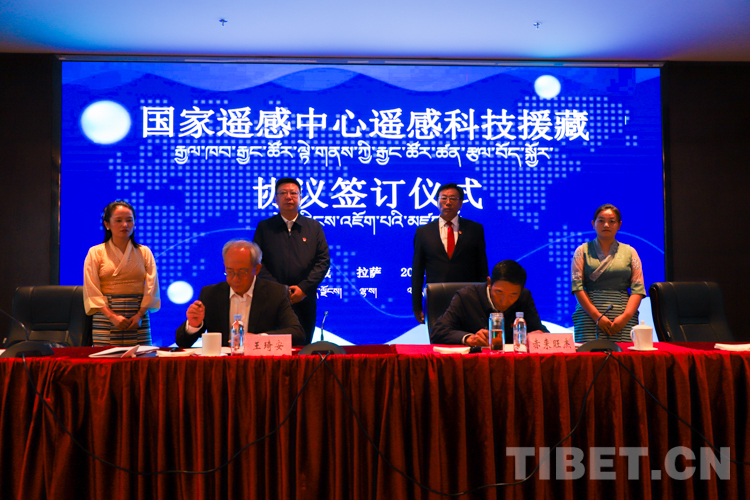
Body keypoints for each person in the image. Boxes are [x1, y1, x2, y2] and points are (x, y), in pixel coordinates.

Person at [175, 239, 305, 347]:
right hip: (221, 365)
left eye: (242, 272)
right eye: (230, 272)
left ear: (257, 269)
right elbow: (182, 343)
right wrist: (194, 325)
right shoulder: (210, 294)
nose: (235, 279)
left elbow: (297, 334)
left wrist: (259, 339)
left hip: (260, 364)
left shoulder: (275, 293)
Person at [253, 177, 330, 345]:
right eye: (283, 193)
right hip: (272, 300)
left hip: (304, 299)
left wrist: (304, 289)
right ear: (275, 199)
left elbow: (323, 261)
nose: (289, 197)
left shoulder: (314, 227)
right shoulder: (265, 227)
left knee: (303, 349)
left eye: (293, 193)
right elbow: (258, 263)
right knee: (273, 348)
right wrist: (279, 290)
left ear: (300, 198)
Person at [83, 200, 160, 346]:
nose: (125, 225)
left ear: (134, 223)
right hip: (106, 317)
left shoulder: (144, 252)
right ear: (107, 224)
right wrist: (112, 316)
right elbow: (91, 289)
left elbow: (152, 287)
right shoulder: (95, 252)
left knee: (141, 358)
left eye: (129, 220)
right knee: (106, 358)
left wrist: (139, 315)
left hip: (137, 318)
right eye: (118, 220)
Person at [411, 182, 489, 324]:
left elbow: (482, 267)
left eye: (453, 198)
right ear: (437, 201)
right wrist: (417, 305)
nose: (448, 202)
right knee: (438, 335)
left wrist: (484, 301)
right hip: (436, 297)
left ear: (460, 203)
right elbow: (417, 271)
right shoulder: (424, 232)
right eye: (444, 198)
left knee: (466, 335)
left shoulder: (475, 229)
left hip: (467, 298)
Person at [571, 204, 646, 342]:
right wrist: (597, 317)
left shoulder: (630, 252)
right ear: (593, 224)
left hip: (622, 317)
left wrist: (625, 318)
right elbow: (577, 288)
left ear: (619, 225)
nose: (606, 225)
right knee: (589, 354)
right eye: (601, 221)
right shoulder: (582, 251)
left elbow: (638, 289)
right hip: (589, 317)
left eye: (612, 221)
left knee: (623, 354)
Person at [431, 260, 547, 345]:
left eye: (513, 295)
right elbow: (438, 332)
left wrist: (539, 336)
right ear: (489, 283)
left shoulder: (524, 297)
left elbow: (540, 331)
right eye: (499, 292)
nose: (504, 301)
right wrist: (469, 338)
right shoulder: (466, 296)